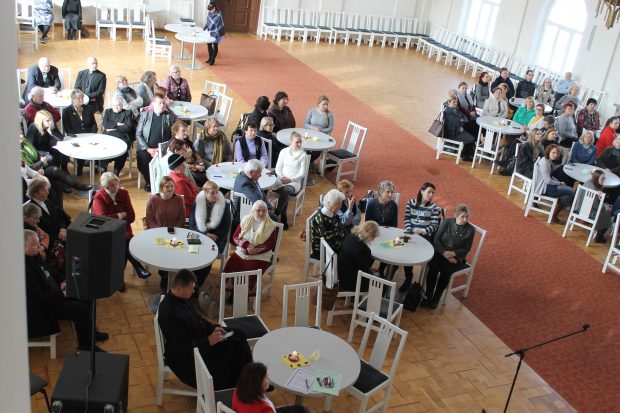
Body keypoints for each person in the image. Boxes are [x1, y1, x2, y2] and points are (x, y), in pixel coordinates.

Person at [158, 269, 252, 389]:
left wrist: (214, 328)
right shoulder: (171, 314)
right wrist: (208, 341)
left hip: (199, 342)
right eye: (190, 289)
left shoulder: (181, 298)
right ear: (179, 288)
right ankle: (247, 384)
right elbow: (181, 348)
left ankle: (251, 379)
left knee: (239, 334)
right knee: (235, 347)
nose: (193, 291)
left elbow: (198, 319)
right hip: (188, 359)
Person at [24, 230, 108, 352]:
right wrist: (62, 294)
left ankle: (91, 333)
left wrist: (63, 281)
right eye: (34, 244)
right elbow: (37, 299)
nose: (39, 246)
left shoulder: (33, 255)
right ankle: (85, 346)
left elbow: (50, 270)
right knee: (79, 309)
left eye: (38, 243)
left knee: (87, 296)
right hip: (44, 308)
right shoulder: (24, 270)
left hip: (55, 294)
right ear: (22, 247)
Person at [92, 172, 151, 281]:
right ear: (106, 187)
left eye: (117, 183)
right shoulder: (99, 198)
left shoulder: (123, 193)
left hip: (124, 230)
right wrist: (121, 215)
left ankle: (118, 280)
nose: (116, 187)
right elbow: (104, 220)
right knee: (124, 245)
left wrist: (114, 218)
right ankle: (138, 267)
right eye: (112, 185)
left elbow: (132, 216)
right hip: (107, 232)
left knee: (123, 246)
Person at [425, 204, 476, 309]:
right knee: (433, 267)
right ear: (455, 215)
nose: (465, 219)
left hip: (456, 257)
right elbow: (436, 240)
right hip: (440, 252)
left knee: (446, 271)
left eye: (467, 217)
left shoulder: (470, 230)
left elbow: (466, 248)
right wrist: (444, 253)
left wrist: (453, 254)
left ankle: (436, 298)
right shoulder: (446, 223)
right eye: (462, 216)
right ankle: (428, 295)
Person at [21, 132, 92, 205]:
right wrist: (41, 164)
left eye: (21, 133)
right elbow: (28, 173)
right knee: (55, 183)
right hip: (31, 181)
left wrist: (40, 164)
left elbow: (35, 154)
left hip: (38, 170)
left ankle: (76, 186)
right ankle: (73, 187)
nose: (21, 135)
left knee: (56, 172)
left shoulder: (25, 142)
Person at [223, 200, 278, 292]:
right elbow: (235, 236)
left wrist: (252, 251)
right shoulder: (246, 219)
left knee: (250, 268)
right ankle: (233, 291)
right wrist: (247, 245)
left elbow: (269, 244)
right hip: (242, 251)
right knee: (232, 263)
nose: (261, 213)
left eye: (264, 211)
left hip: (261, 256)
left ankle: (244, 294)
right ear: (253, 211)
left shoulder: (271, 225)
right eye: (258, 210)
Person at [146, 176, 186, 291]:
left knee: (176, 252)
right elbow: (150, 219)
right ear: (161, 188)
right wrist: (160, 231)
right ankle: (165, 279)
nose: (170, 189)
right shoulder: (153, 200)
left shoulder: (178, 200)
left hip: (174, 233)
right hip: (157, 233)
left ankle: (173, 277)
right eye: (167, 186)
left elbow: (181, 218)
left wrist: (174, 231)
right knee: (163, 252)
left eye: (172, 186)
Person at [401, 182, 442, 291]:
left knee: (413, 253)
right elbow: (406, 218)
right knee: (404, 253)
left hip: (424, 237)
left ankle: (418, 282)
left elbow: (434, 225)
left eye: (433, 193)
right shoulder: (411, 203)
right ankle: (408, 278)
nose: (431, 195)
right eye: (429, 192)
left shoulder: (433, 207)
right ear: (422, 191)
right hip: (410, 233)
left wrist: (423, 231)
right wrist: (410, 230)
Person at [189, 181, 231, 285]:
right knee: (192, 253)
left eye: (217, 192)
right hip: (198, 233)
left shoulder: (224, 206)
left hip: (216, 237)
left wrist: (214, 236)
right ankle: (190, 280)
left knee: (207, 256)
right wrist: (205, 235)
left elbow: (226, 228)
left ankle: (198, 283)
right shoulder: (197, 203)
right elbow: (192, 225)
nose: (215, 195)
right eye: (212, 193)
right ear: (205, 193)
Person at [232, 362, 310, 413]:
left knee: (300, 409)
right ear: (258, 384)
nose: (268, 379)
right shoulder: (265, 409)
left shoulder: (237, 391)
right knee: (302, 410)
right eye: (266, 378)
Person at [136, 93, 176, 192]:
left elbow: (173, 135)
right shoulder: (145, 115)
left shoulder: (170, 116)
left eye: (164, 103)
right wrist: (148, 149)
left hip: (163, 149)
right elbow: (138, 134)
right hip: (146, 148)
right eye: (159, 103)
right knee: (143, 161)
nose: (162, 105)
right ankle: (149, 182)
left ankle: (162, 182)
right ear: (153, 103)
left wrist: (162, 148)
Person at [271, 132, 309, 229]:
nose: (299, 144)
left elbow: (302, 174)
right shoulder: (283, 151)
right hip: (281, 179)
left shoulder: (303, 155)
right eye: (297, 142)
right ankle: (283, 216)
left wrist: (291, 180)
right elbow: (278, 168)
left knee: (286, 190)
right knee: (285, 193)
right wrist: (281, 177)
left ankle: (277, 212)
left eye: (300, 142)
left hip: (294, 182)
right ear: (291, 141)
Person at [533, 144, 574, 223]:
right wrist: (560, 183)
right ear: (548, 152)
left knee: (566, 197)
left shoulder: (547, 160)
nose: (555, 155)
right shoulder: (544, 163)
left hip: (547, 186)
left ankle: (554, 216)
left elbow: (550, 176)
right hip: (544, 188)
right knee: (571, 190)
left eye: (557, 153)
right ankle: (573, 210)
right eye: (553, 153)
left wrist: (559, 182)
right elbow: (548, 181)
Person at [26, 176, 71, 248]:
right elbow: (42, 233)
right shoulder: (32, 210)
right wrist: (60, 237)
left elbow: (59, 216)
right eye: (44, 190)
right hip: (52, 241)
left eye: (47, 189)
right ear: (35, 193)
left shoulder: (47, 201)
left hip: (62, 233)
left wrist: (62, 228)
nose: (48, 192)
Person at [62, 89, 98, 175]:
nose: (81, 100)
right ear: (73, 99)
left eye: (82, 98)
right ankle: (80, 166)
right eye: (79, 98)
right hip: (75, 137)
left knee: (95, 146)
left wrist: (92, 134)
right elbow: (67, 128)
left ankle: (94, 165)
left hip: (89, 135)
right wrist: (77, 137)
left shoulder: (88, 108)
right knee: (79, 148)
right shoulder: (66, 111)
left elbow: (93, 124)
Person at [337, 221, 380, 292]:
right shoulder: (364, 250)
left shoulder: (350, 236)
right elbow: (364, 272)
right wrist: (373, 274)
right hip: (351, 283)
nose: (373, 239)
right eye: (373, 237)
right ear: (369, 235)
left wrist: (369, 269)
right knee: (382, 283)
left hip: (341, 274)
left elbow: (359, 264)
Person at [100, 96, 133, 175]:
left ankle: (116, 171)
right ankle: (103, 169)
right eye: (114, 105)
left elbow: (128, 127)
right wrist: (117, 124)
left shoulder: (128, 113)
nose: (116, 107)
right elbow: (105, 124)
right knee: (102, 148)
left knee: (122, 150)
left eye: (118, 105)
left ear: (122, 105)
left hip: (122, 137)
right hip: (108, 136)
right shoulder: (108, 111)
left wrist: (113, 128)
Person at [310, 188, 346, 259]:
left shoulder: (332, 213)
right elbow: (331, 243)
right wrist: (346, 245)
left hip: (335, 245)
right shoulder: (323, 221)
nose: (340, 206)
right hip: (323, 251)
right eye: (338, 204)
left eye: (341, 203)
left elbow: (341, 229)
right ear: (331, 204)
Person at [579, 170, 612, 243]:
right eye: (602, 178)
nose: (604, 180)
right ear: (597, 178)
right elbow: (595, 205)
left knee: (605, 211)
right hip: (589, 212)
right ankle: (599, 237)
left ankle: (593, 229)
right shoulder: (594, 191)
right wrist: (606, 207)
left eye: (604, 178)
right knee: (608, 215)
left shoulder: (587, 183)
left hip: (579, 208)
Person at [304, 95, 335, 171]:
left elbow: (330, 128)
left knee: (317, 151)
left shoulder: (330, 115)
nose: (325, 106)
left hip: (321, 137)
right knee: (305, 147)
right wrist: (313, 128)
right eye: (323, 104)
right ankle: (309, 164)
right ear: (318, 104)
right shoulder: (312, 111)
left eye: (327, 104)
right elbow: (305, 124)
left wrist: (321, 131)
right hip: (310, 135)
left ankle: (306, 164)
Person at [443, 96, 475, 161]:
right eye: (453, 102)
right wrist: (461, 121)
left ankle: (466, 154)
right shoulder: (447, 111)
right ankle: (465, 155)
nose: (455, 103)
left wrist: (461, 120)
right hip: (453, 133)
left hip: (458, 130)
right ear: (449, 102)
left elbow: (464, 117)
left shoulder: (456, 109)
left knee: (472, 130)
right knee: (471, 139)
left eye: (456, 102)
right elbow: (456, 122)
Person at [168, 154, 200, 218]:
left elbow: (192, 185)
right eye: (182, 165)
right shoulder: (179, 182)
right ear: (176, 167)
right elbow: (190, 201)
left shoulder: (179, 173)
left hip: (196, 199)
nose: (184, 167)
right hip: (190, 210)